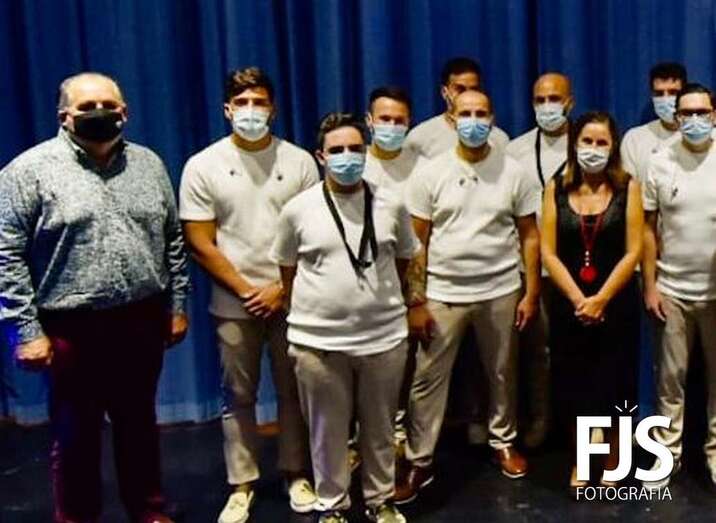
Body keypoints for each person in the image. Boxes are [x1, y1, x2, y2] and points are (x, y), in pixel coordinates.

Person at [0, 72, 190, 523]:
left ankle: (148, 511)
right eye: (86, 107)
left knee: (139, 425)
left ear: (125, 112)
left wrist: (177, 306)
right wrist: (26, 331)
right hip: (71, 327)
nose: (99, 113)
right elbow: (6, 255)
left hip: (141, 319)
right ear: (64, 116)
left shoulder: (149, 165)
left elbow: (173, 240)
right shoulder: (26, 172)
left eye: (109, 105)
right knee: (75, 435)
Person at [179, 67, 318, 523]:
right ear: (227, 109)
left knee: (294, 390)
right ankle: (242, 484)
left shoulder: (299, 162)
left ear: (273, 109)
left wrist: (280, 289)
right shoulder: (203, 165)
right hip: (233, 302)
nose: (251, 111)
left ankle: (296, 473)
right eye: (242, 103)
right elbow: (200, 241)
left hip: (292, 298)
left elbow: (313, 233)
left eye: (259, 103)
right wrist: (246, 290)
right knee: (238, 394)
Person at [271, 112, 421, 523]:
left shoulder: (391, 204)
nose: (347, 157)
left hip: (383, 338)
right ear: (320, 156)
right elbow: (287, 270)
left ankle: (380, 500)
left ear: (366, 152)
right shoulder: (297, 209)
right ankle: (333, 505)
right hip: (318, 343)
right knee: (327, 432)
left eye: (355, 148)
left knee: (380, 429)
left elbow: (405, 259)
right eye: (336, 150)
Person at [396, 89, 541, 504]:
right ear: (452, 117)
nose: (473, 121)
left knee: (502, 372)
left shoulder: (514, 171)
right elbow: (416, 243)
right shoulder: (430, 173)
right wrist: (416, 300)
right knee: (427, 380)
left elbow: (529, 235)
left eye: (481, 113)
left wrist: (531, 291)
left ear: (492, 119)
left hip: (500, 289)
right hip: (443, 292)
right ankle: (420, 459)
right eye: (466, 114)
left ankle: (503, 441)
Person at [542, 111, 643, 493]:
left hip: (616, 303)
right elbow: (548, 252)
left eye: (602, 142)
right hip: (570, 304)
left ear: (613, 147)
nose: (594, 149)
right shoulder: (555, 188)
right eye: (587, 141)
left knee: (617, 384)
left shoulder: (628, 187)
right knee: (575, 384)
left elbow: (633, 251)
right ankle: (583, 460)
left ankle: (615, 459)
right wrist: (579, 300)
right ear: (574, 144)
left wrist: (601, 298)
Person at [642, 83, 716, 490]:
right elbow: (647, 228)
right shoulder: (660, 160)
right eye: (687, 113)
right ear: (677, 116)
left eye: (702, 112)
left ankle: (715, 454)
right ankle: (666, 454)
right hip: (671, 289)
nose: (694, 120)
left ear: (714, 115)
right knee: (671, 380)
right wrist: (650, 286)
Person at [506, 72, 574, 448]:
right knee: (537, 352)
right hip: (533, 269)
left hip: (580, 269)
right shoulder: (516, 150)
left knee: (582, 350)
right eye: (540, 100)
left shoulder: (587, 144)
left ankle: (580, 424)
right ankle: (540, 420)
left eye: (554, 99)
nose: (547, 107)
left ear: (570, 103)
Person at [404, 57, 510, 162]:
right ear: (444, 92)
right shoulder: (420, 138)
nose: (467, 95)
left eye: (474, 89)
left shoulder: (499, 139)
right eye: (460, 89)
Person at [620, 62, 687, 182]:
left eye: (673, 92)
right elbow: (629, 188)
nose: (666, 99)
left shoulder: (702, 136)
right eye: (659, 93)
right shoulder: (634, 139)